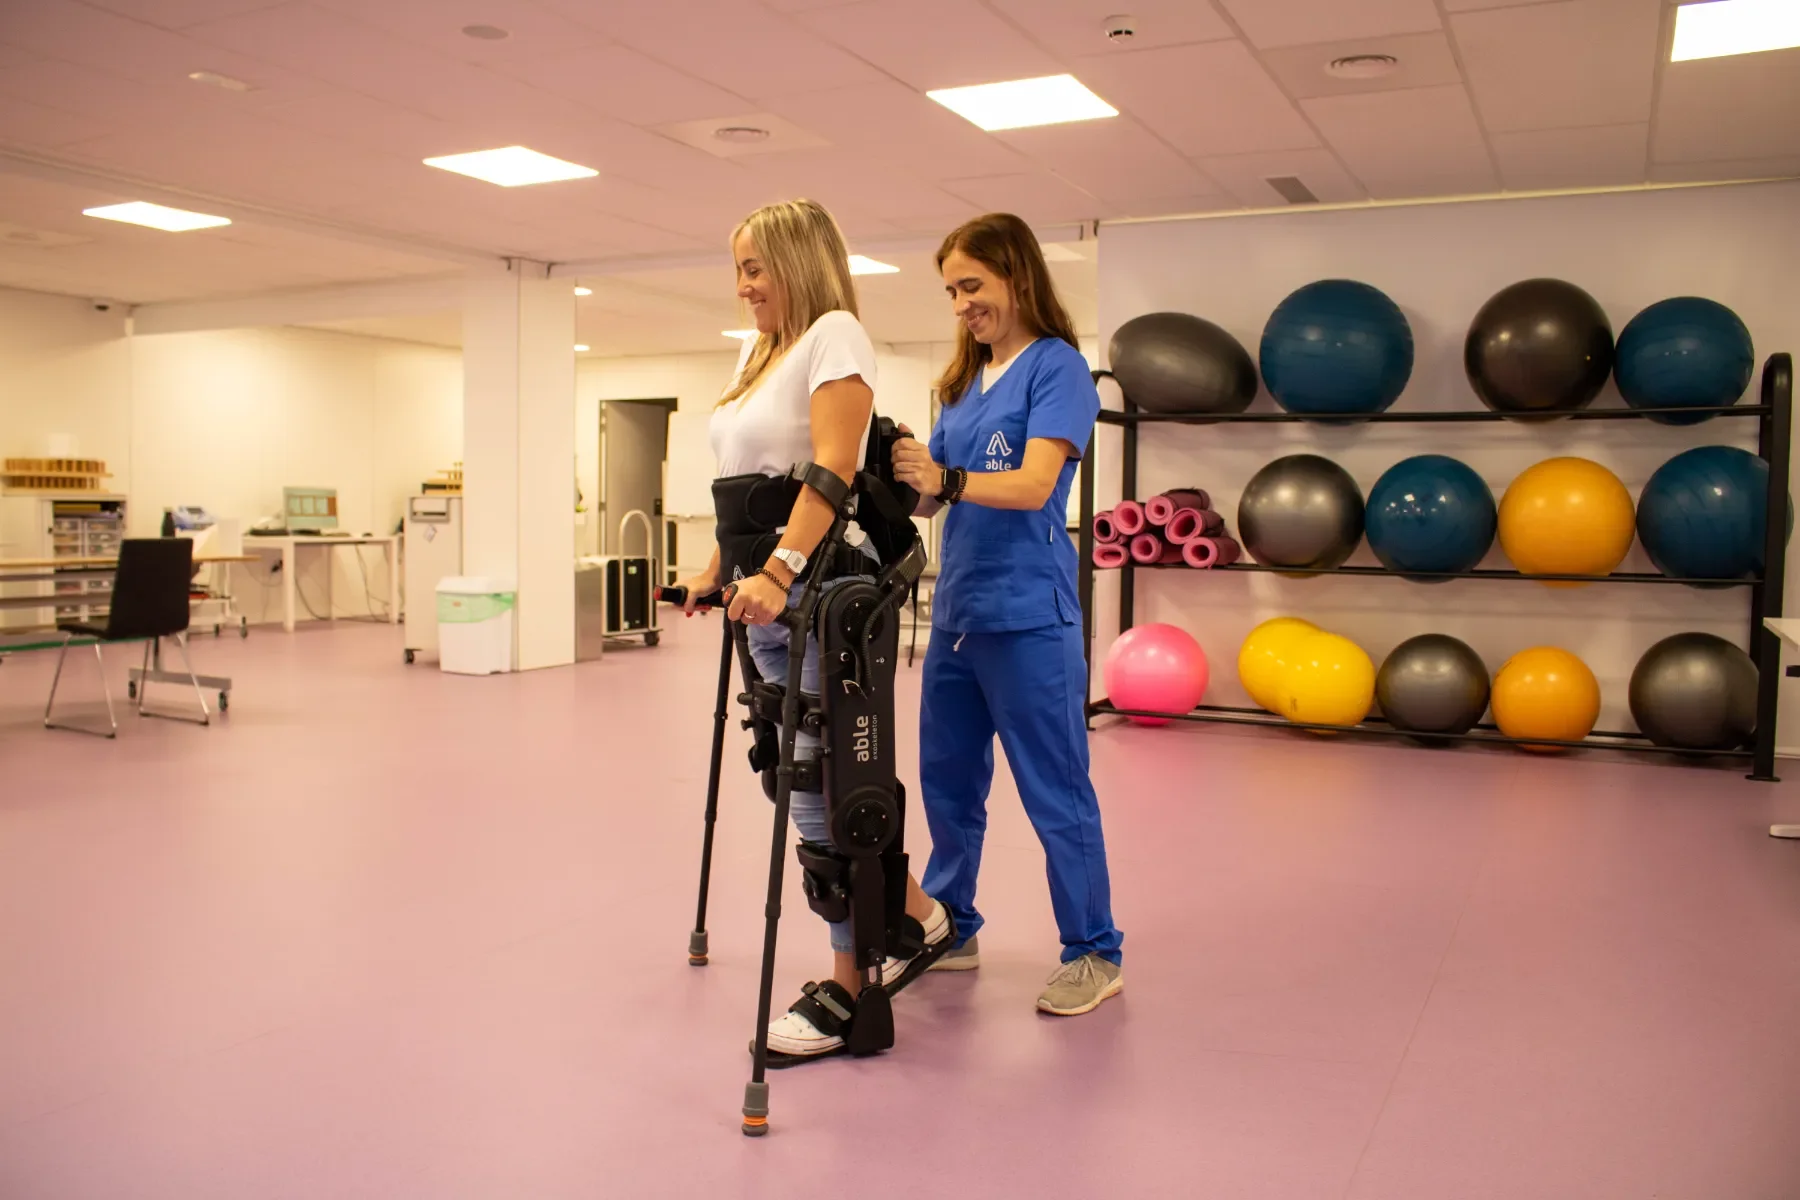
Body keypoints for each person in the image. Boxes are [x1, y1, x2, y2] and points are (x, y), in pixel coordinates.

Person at [673, 198, 955, 1065]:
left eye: (756, 266)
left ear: (799, 261)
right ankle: (918, 913)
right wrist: (718, 572)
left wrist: (780, 571)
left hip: (821, 591)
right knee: (790, 773)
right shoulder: (761, 353)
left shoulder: (835, 332)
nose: (744, 284)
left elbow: (831, 466)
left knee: (823, 789)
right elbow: (746, 483)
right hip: (766, 596)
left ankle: (852, 982)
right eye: (739, 269)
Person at [891, 212, 1125, 1017]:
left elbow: (1029, 487)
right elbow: (934, 496)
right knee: (948, 787)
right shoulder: (959, 384)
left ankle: (1094, 950)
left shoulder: (1057, 369)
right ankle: (954, 928)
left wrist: (947, 479)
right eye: (952, 290)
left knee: (1055, 790)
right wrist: (904, 477)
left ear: (1017, 279)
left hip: (1030, 616)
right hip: (958, 615)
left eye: (973, 286)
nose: (961, 304)